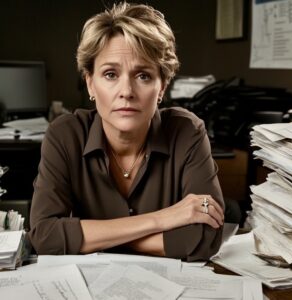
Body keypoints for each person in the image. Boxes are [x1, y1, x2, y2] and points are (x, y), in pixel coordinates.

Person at [29, 1, 224, 261]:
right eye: (110, 74)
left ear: (162, 86)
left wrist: (96, 238)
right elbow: (44, 236)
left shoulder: (188, 132)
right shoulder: (64, 135)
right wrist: (163, 218)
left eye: (143, 75)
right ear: (90, 84)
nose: (126, 92)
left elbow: (205, 239)